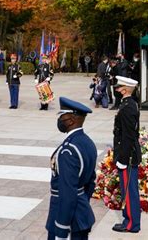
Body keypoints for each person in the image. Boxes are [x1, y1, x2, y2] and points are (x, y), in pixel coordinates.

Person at [46, 97, 97, 240]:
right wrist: (82, 201)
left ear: (71, 119)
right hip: (80, 215)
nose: (60, 120)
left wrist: (62, 230)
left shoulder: (68, 150)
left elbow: (67, 192)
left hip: (68, 221)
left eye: (62, 116)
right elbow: (91, 181)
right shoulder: (87, 142)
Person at [111, 76, 142, 234]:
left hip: (128, 156)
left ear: (124, 89)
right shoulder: (128, 103)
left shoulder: (128, 106)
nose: (116, 89)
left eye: (118, 87)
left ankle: (131, 224)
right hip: (127, 153)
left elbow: (128, 135)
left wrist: (123, 159)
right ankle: (130, 219)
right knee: (128, 190)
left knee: (129, 191)